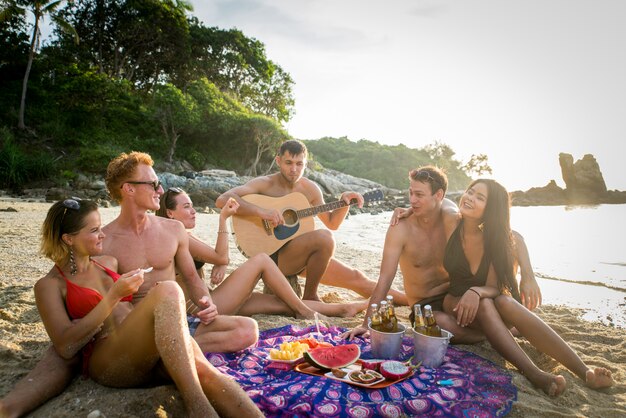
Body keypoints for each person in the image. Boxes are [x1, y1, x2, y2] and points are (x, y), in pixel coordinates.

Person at [0, 152, 260, 418]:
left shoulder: (108, 261)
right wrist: (114, 296)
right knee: (169, 292)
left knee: (208, 369)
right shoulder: (57, 280)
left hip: (155, 337)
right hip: (114, 356)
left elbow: (193, 277)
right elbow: (64, 345)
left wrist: (206, 303)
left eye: (99, 227)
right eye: (93, 230)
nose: (101, 233)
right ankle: (198, 407)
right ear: (69, 238)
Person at [438, 178, 613, 396]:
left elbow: (493, 286)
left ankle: (585, 372)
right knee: (485, 305)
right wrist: (402, 211)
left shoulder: (494, 240)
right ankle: (534, 373)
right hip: (457, 303)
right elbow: (438, 201)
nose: (470, 198)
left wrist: (479, 290)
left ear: (491, 208)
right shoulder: (453, 223)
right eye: (470, 192)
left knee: (504, 301)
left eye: (479, 197)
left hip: (489, 303)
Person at [343, 166, 540, 343]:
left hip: (454, 297)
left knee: (487, 299)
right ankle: (498, 333)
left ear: (438, 195)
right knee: (439, 325)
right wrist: (366, 323)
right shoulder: (400, 229)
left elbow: (510, 237)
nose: (412, 200)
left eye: (419, 194)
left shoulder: (451, 218)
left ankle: (502, 329)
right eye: (410, 193)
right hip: (425, 304)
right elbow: (384, 280)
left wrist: (528, 276)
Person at [216, 139, 407, 304]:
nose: (293, 169)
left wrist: (344, 203)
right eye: (288, 162)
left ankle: (412, 301)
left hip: (302, 254)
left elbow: (332, 223)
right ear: (278, 161)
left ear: (305, 164)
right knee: (325, 238)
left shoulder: (310, 189)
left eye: (299, 164)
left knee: (357, 278)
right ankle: (310, 296)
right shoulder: (265, 183)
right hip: (272, 256)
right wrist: (262, 212)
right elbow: (222, 200)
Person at [156, 187, 367, 318]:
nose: (193, 211)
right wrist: (222, 219)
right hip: (207, 306)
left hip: (212, 299)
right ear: (170, 213)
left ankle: (344, 309)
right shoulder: (176, 233)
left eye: (192, 206)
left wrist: (220, 263)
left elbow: (216, 257)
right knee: (262, 260)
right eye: (186, 207)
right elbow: (221, 256)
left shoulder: (179, 234)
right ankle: (306, 312)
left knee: (282, 304)